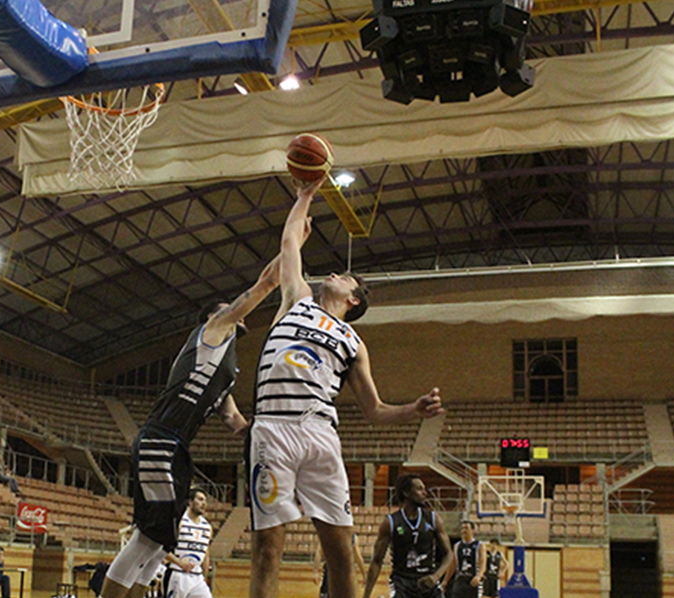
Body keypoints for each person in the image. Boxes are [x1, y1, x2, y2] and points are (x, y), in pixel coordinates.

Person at [249, 178, 444, 598]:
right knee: (267, 549)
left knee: (339, 549)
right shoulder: (296, 299)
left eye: (342, 276)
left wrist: (414, 408)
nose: (332, 273)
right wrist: (305, 195)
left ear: (353, 300)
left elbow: (373, 410)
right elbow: (289, 244)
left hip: (320, 433)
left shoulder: (354, 342)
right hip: (272, 429)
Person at [101, 255, 280, 598]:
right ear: (216, 316)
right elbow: (264, 284)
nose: (238, 313)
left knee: (161, 541)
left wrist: (267, 432)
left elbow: (234, 421)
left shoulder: (225, 370)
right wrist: (290, 248)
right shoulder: (210, 333)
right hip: (159, 438)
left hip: (178, 446)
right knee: (147, 537)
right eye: (231, 309)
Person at [363, 475, 454, 598]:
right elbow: (377, 561)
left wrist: (435, 576)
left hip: (427, 580)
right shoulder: (390, 522)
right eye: (419, 489)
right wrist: (366, 595)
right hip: (402, 583)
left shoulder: (433, 518)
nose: (425, 493)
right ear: (406, 492)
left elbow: (448, 554)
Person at [162, 489, 214, 598]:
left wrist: (204, 577)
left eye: (205, 500)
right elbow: (162, 549)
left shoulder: (207, 527)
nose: (203, 503)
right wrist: (180, 563)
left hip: (197, 577)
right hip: (177, 574)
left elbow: (206, 554)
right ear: (190, 502)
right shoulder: (179, 522)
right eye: (200, 499)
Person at [318, 532, 367, 598]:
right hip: (341, 567)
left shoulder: (330, 532)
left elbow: (358, 557)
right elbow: (358, 557)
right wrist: (364, 574)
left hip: (335, 567)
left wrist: (364, 574)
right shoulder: (351, 536)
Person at [447, 521, 485, 598]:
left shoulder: (479, 545)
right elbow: (453, 565)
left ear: (473, 530)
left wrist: (479, 576)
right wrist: (445, 581)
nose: (464, 530)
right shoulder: (457, 546)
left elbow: (483, 564)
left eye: (466, 528)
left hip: (473, 579)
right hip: (460, 580)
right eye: (462, 528)